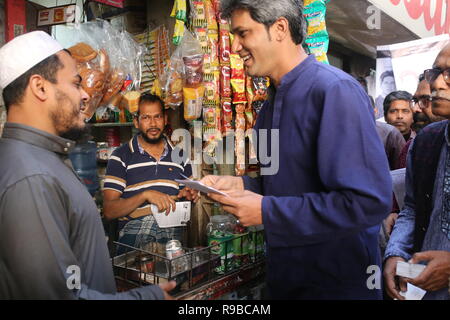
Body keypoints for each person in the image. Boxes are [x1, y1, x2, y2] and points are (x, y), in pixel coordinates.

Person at [202, 0, 392, 299]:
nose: (234, 47)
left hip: (336, 284)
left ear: (279, 28)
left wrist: (267, 211)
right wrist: (238, 185)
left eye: (243, 34)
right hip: (286, 277)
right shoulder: (269, 105)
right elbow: (282, 183)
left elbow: (366, 202)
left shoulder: (334, 91)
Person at [0, 31, 175, 299]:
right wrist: (148, 298)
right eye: (75, 83)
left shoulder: (44, 159)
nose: (84, 96)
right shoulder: (31, 177)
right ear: (40, 87)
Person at [383, 44, 450, 300]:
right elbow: (412, 208)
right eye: (436, 72)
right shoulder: (427, 142)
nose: (437, 84)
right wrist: (396, 253)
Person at [103, 93, 198, 253]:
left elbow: (186, 204)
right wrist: (145, 195)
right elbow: (109, 211)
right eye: (146, 117)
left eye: (157, 117)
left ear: (165, 119)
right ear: (136, 122)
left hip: (171, 237)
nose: (153, 124)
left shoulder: (180, 156)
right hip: (135, 235)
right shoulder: (121, 155)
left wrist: (189, 196)